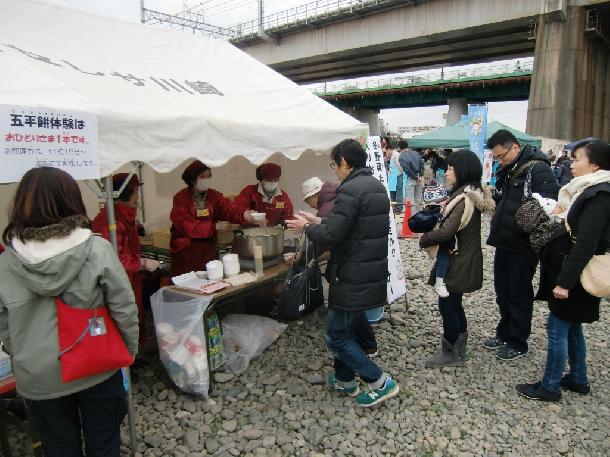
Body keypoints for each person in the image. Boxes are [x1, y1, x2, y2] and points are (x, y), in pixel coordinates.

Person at [0, 167, 139, 457]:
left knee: (59, 448)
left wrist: (24, 353)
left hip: (38, 375)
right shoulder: (96, 249)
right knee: (105, 444)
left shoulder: (6, 263)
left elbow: (5, 325)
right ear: (71, 200)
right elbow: (123, 307)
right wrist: (129, 349)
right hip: (97, 364)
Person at [287, 139, 399, 408]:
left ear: (344, 163)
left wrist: (306, 228)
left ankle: (379, 382)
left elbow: (333, 235)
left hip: (351, 274)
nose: (334, 170)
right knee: (345, 330)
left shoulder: (348, 189)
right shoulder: (375, 186)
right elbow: (350, 226)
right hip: (367, 270)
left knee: (335, 335)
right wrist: (318, 221)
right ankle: (345, 379)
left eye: (333, 164)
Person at [516, 140, 610, 401]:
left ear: (595, 164)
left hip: (578, 273)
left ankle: (550, 385)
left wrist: (565, 283)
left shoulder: (599, 194)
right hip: (575, 270)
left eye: (578, 158)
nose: (571, 163)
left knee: (557, 326)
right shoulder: (586, 190)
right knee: (572, 326)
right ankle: (578, 378)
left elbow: (586, 244)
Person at [484, 130, 559, 361]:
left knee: (519, 293)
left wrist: (523, 221)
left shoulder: (539, 169)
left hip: (524, 245)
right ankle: (504, 332)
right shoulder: (508, 170)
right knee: (502, 291)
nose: (499, 160)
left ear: (514, 148)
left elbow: (551, 204)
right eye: (496, 158)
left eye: (501, 156)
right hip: (504, 241)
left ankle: (518, 341)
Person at [419, 150, 495, 367]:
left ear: (462, 171)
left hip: (457, 260)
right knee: (455, 302)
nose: (447, 172)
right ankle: (460, 347)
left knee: (448, 305)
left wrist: (424, 238)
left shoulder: (463, 198)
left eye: (450, 169)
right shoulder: (471, 192)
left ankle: (450, 351)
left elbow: (446, 232)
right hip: (466, 257)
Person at [92, 173, 158, 346]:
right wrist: (141, 262)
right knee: (123, 318)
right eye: (135, 191)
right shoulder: (110, 220)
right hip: (120, 280)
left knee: (135, 313)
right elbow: (114, 259)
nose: (138, 196)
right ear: (123, 192)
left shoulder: (124, 214)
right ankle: (126, 357)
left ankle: (134, 354)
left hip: (131, 277)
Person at [170, 160, 247, 276]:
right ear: (192, 179)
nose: (206, 179)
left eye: (208, 176)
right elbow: (185, 225)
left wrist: (244, 214)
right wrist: (213, 226)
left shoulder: (213, 195)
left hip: (208, 250)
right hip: (187, 252)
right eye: (202, 177)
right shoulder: (181, 198)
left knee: (209, 282)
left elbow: (228, 208)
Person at [398, 140, 425, 214]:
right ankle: (420, 217)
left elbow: (407, 170)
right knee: (418, 200)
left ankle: (414, 218)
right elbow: (422, 165)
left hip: (411, 179)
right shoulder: (416, 153)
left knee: (411, 201)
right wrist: (420, 176)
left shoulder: (401, 157)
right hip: (419, 178)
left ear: (399, 148)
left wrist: (416, 177)